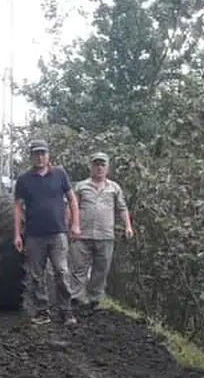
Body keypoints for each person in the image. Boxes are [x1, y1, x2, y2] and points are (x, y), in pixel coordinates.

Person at [13, 138, 81, 326]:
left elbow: (72, 199)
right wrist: (17, 234)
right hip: (34, 235)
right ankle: (42, 311)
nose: (40, 157)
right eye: (36, 154)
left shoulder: (60, 174)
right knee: (36, 275)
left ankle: (66, 310)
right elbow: (18, 207)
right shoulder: (24, 180)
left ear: (48, 155)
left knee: (62, 271)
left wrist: (75, 224)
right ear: (31, 156)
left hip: (58, 233)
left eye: (43, 153)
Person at [70, 151, 133, 312]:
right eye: (96, 164)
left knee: (101, 268)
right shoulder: (81, 186)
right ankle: (77, 298)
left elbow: (122, 208)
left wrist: (128, 226)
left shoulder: (114, 188)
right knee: (79, 268)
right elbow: (72, 207)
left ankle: (94, 298)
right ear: (91, 166)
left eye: (102, 164)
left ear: (107, 167)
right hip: (82, 234)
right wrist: (70, 225)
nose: (99, 167)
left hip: (105, 235)